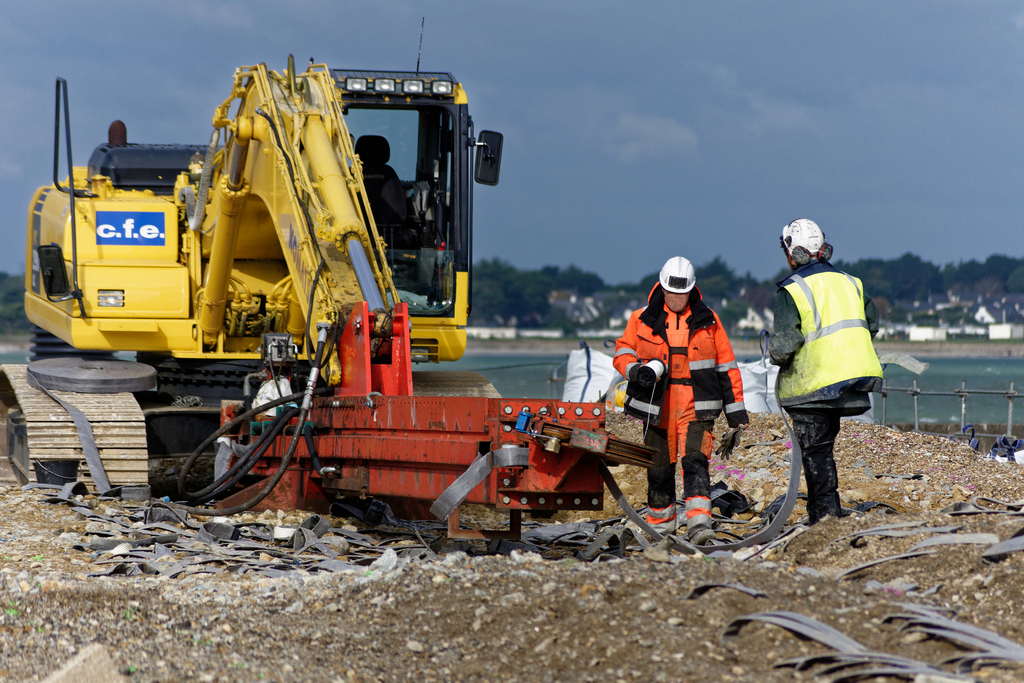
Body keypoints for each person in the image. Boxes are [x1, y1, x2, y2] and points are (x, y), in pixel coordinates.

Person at [613, 257, 748, 544]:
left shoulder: (708, 320)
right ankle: (661, 529)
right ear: (661, 288)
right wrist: (635, 370)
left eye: (682, 292)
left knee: (696, 462)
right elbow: (622, 352)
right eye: (671, 292)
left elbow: (726, 366)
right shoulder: (641, 319)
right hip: (658, 406)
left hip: (696, 405)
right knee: (658, 467)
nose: (676, 298)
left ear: (692, 290)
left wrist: (736, 415)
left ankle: (699, 525)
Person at [768, 219, 883, 525]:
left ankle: (825, 520)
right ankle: (826, 513)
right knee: (823, 450)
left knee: (816, 454)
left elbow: (784, 346)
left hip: (813, 387)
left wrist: (774, 353)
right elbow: (871, 325)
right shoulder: (851, 282)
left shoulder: (792, 289)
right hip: (849, 385)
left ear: (793, 254)